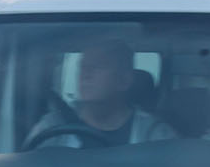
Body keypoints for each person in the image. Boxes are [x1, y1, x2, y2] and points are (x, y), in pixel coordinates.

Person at [27, 39, 175, 149]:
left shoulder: (154, 134)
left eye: (98, 66)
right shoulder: (52, 126)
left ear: (124, 80)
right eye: (83, 66)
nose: (85, 74)